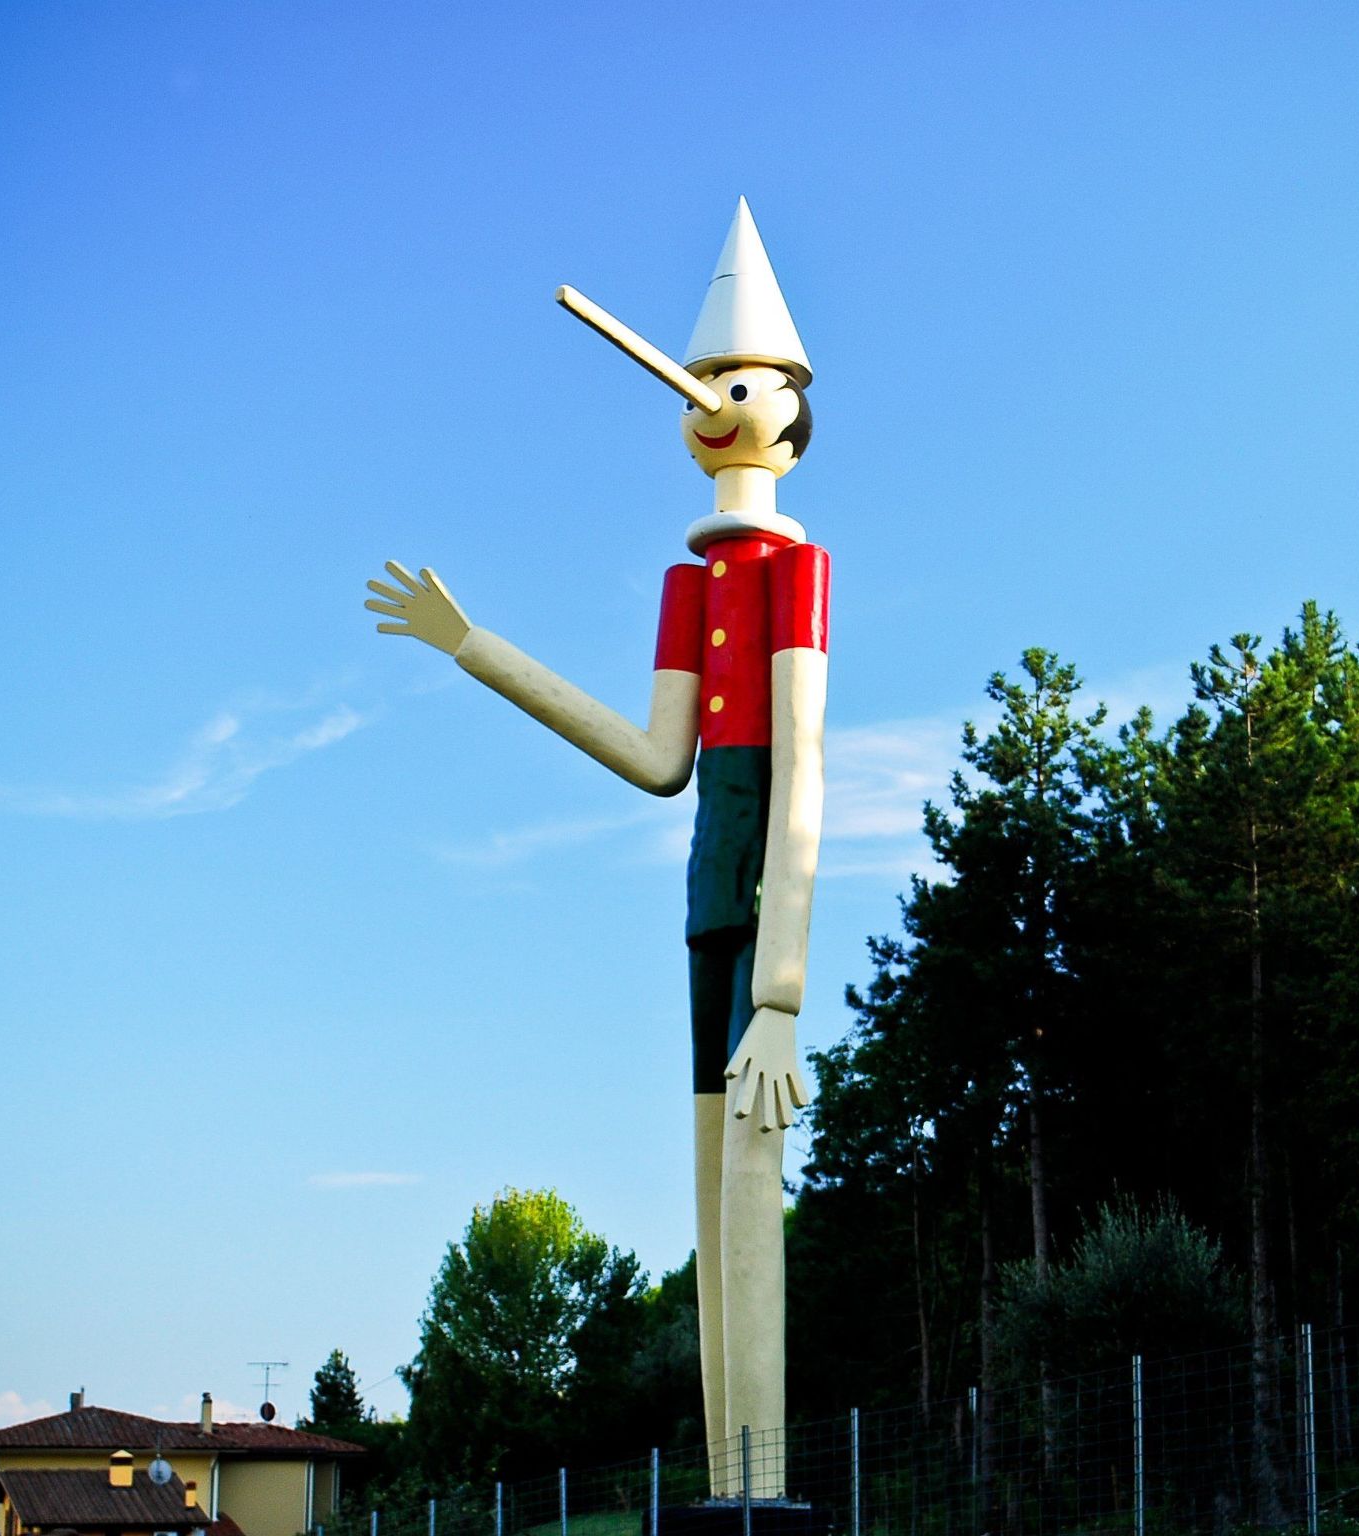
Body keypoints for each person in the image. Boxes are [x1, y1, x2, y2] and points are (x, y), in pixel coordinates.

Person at [364, 200, 824, 1497]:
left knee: (752, 1170)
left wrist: (780, 998)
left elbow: (807, 782)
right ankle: (734, 1490)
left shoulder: (796, 579)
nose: (711, 399)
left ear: (788, 410)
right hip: (697, 909)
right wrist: (476, 647)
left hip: (756, 915)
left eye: (738, 381)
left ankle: (764, 1488)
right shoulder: (690, 589)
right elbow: (654, 759)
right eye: (703, 383)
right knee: (705, 1179)